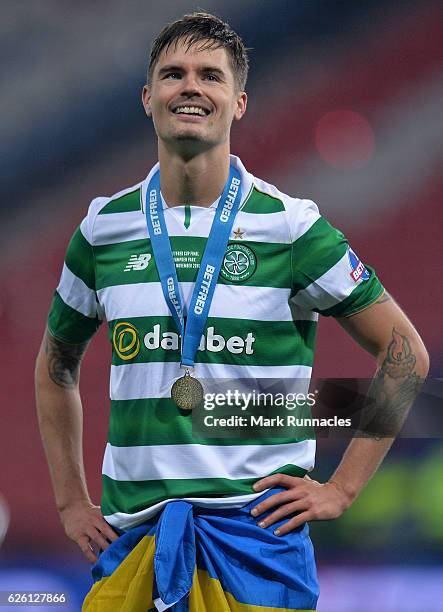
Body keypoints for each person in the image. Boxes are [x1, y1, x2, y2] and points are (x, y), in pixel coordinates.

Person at [35, 12, 429, 612]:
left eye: (210, 76)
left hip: (256, 546)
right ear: (148, 98)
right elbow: (55, 366)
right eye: (173, 74)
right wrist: (69, 500)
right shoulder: (102, 229)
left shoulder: (292, 227)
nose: (190, 86)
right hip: (134, 540)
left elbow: (405, 356)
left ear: (239, 102)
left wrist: (342, 488)